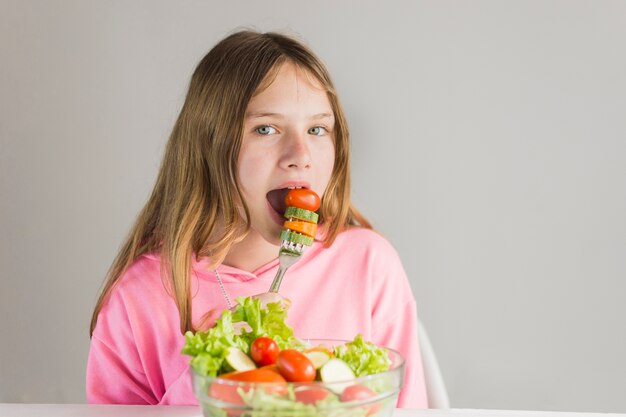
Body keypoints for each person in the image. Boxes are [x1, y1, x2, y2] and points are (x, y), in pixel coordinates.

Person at [87, 29, 428, 408]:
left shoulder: (367, 265)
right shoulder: (140, 297)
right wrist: (216, 372)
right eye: (266, 129)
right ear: (209, 143)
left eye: (317, 129)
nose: (300, 154)